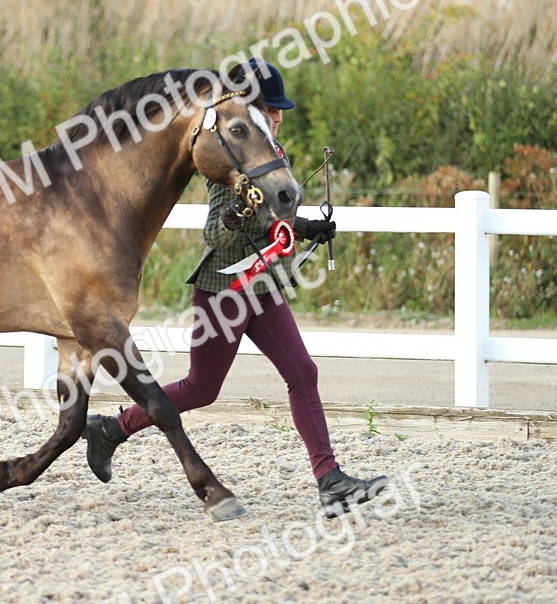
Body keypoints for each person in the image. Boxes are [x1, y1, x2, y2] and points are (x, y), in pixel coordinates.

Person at [83, 59, 388, 517]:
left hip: (261, 287)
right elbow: (216, 236)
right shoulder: (232, 156)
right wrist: (233, 219)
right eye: (270, 108)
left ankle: (330, 480)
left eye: (280, 109)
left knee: (303, 372)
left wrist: (305, 227)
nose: (279, 116)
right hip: (223, 289)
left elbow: (272, 221)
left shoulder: (269, 152)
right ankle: (112, 428)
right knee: (202, 388)